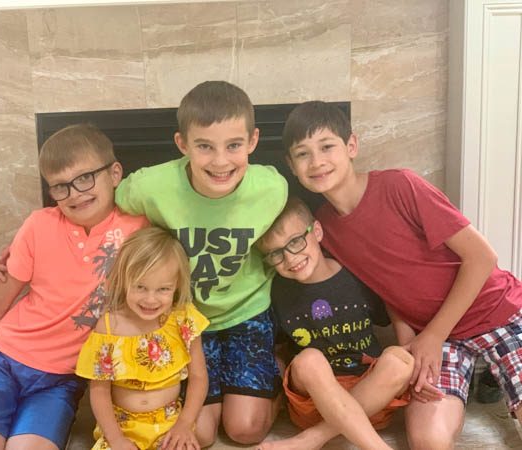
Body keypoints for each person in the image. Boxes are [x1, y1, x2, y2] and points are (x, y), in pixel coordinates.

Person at [282, 100, 522, 449]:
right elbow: (386, 286)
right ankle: (479, 380)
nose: (316, 161)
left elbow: (482, 257)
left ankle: (493, 378)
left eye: (327, 146)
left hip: (497, 312)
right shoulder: (324, 229)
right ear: (291, 166)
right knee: (427, 440)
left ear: (351, 146)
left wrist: (433, 336)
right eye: (303, 154)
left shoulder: (401, 186)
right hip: (438, 337)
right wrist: (408, 344)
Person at [0, 124, 148, 450]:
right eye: (61, 186)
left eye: (85, 178)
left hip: (60, 380)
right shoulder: (39, 225)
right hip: (3, 362)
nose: (74, 194)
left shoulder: (138, 229)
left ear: (115, 173)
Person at [115, 80, 288, 445]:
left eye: (234, 145)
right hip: (187, 320)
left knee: (244, 430)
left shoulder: (272, 188)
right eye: (205, 146)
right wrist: (48, 228)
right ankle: (231, 390)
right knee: (202, 434)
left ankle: (277, 368)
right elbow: (109, 205)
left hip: (247, 311)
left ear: (253, 141)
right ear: (183, 144)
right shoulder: (150, 186)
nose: (220, 161)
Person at [256, 196, 413, 450]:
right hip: (313, 401)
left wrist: (410, 347)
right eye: (275, 253)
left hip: (372, 398)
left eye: (295, 241)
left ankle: (312, 439)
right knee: (309, 360)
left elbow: (395, 304)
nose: (290, 258)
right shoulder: (276, 291)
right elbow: (278, 349)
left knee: (401, 360)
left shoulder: (356, 275)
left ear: (317, 231)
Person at [75, 226, 209, 450]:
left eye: (163, 289)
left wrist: (185, 424)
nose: (150, 299)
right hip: (122, 427)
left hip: (171, 423)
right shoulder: (109, 327)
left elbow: (198, 377)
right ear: (124, 280)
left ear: (177, 285)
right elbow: (99, 391)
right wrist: (116, 439)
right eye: (140, 287)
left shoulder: (183, 319)